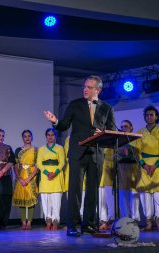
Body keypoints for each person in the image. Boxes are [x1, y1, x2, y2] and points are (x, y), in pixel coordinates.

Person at [44, 75, 116, 237]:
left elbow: (112, 130)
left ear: (98, 90)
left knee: (92, 191)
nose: (85, 89)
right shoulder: (75, 105)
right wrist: (55, 121)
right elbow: (63, 126)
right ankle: (72, 225)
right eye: (84, 86)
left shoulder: (107, 108)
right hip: (78, 153)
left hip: (96, 154)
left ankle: (89, 224)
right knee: (75, 190)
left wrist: (103, 133)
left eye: (89, 87)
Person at [134, 105, 159, 232]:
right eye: (147, 114)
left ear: (156, 116)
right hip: (144, 166)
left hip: (157, 165)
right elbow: (136, 150)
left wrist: (155, 165)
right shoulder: (140, 131)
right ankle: (148, 222)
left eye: (151, 114)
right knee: (145, 195)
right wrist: (144, 164)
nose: (149, 117)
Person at [36, 128, 65, 230]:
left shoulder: (59, 148)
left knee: (56, 199)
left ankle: (55, 221)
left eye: (52, 135)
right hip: (45, 175)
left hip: (56, 175)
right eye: (48, 135)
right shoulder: (41, 149)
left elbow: (62, 162)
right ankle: (48, 222)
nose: (50, 137)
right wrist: (47, 173)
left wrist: (55, 173)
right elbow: (38, 163)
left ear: (55, 136)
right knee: (45, 200)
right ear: (46, 136)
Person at [12, 130, 38, 230]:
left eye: (29, 136)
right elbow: (16, 166)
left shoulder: (35, 150)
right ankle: (23, 223)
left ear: (32, 137)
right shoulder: (18, 150)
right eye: (25, 136)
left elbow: (37, 166)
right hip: (21, 176)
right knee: (22, 199)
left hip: (31, 176)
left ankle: (30, 222)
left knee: (31, 199)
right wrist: (20, 178)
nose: (27, 138)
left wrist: (29, 178)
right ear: (22, 138)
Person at [118, 120, 141, 221]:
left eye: (126, 126)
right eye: (122, 127)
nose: (123, 128)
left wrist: (130, 153)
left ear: (131, 127)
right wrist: (122, 154)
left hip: (134, 169)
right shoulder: (118, 140)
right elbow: (115, 155)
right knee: (123, 196)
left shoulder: (136, 139)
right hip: (122, 169)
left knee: (134, 195)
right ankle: (126, 219)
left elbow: (139, 154)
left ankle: (135, 219)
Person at [98, 147, 115, 230]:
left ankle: (111, 221)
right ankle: (103, 222)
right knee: (101, 202)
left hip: (109, 174)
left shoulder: (112, 144)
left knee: (110, 201)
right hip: (100, 174)